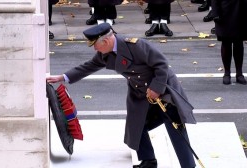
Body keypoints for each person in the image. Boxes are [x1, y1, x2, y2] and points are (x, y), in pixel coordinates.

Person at [46, 23, 197, 168]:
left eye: (95, 45)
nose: (94, 50)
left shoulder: (136, 46)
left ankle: (188, 165)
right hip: (140, 94)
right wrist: (63, 77)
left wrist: (156, 88)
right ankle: (148, 161)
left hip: (163, 91)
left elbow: (162, 64)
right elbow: (88, 66)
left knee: (175, 127)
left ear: (105, 41)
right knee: (137, 125)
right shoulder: (105, 54)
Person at [211, 0, 247, 85]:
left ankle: (239, 74)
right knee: (226, 43)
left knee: (239, 43)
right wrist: (215, 13)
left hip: (243, 12)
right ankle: (227, 73)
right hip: (224, 12)